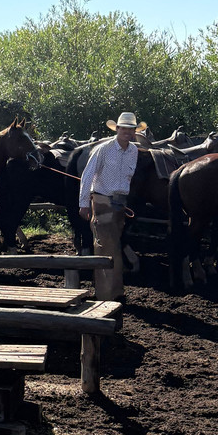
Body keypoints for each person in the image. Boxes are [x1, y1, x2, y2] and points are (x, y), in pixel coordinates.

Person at [78, 111, 141, 301]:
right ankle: (107, 296)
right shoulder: (103, 149)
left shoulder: (134, 151)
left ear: (134, 132)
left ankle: (115, 292)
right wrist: (83, 204)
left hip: (119, 205)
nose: (127, 132)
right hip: (103, 202)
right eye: (124, 129)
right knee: (107, 248)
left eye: (131, 129)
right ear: (118, 129)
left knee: (114, 247)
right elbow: (87, 175)